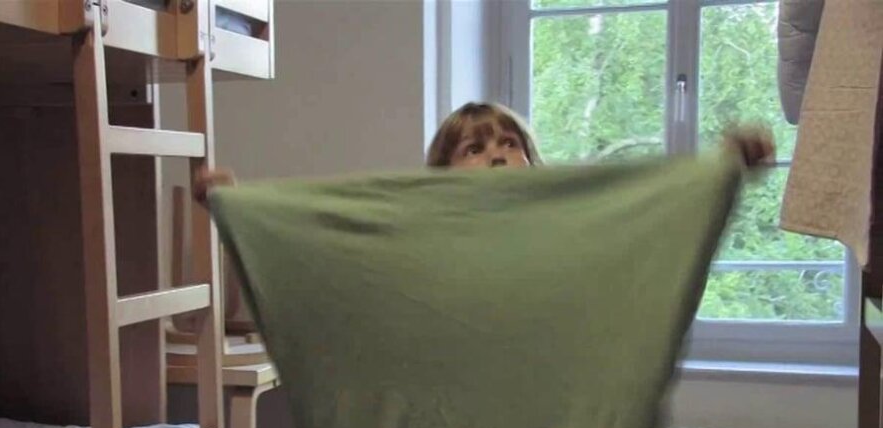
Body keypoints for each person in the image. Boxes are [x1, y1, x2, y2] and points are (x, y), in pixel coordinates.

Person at [193, 101, 774, 203]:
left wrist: (721, 167)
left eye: (509, 144)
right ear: (442, 171)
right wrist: (241, 204)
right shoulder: (417, 218)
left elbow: (647, 202)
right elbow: (329, 222)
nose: (497, 155)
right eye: (475, 148)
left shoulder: (563, 212)